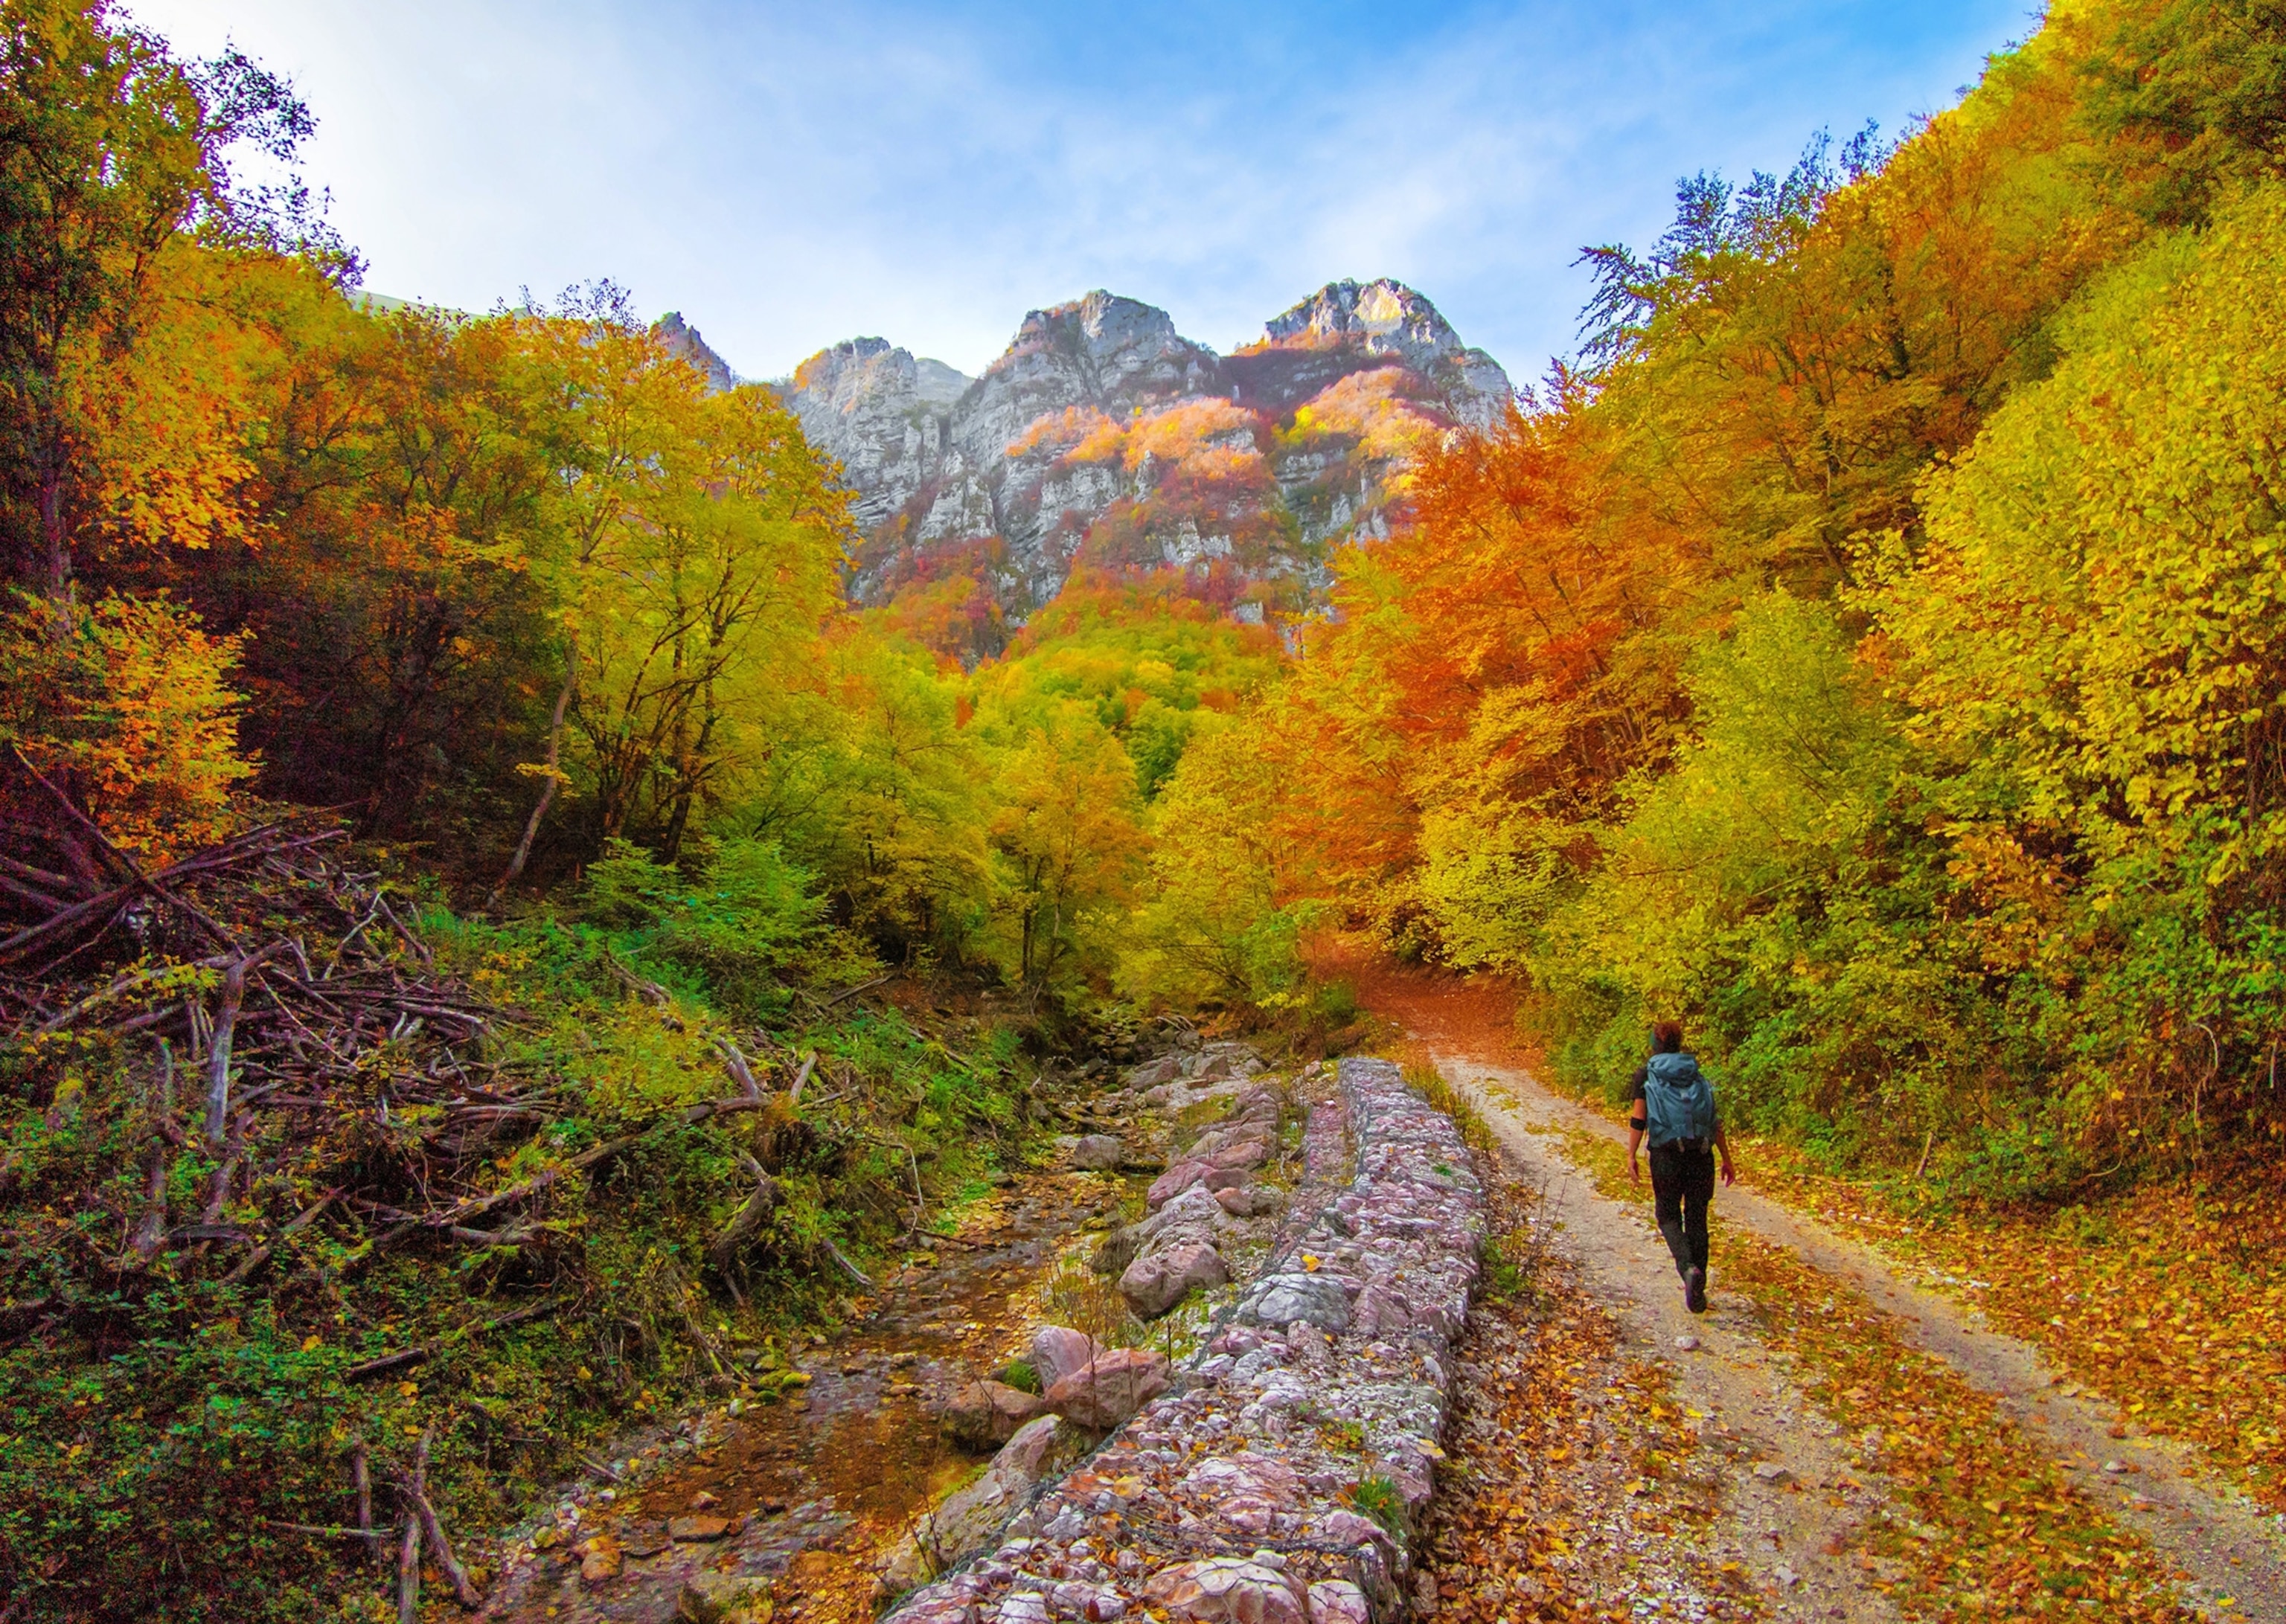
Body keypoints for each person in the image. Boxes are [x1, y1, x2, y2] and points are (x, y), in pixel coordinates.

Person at [1626, 1021, 1735, 1314]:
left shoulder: (1646, 1074)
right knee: (1698, 1218)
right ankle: (1699, 1287)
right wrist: (1726, 1157)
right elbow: (1714, 1120)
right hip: (1702, 1154)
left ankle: (1688, 1269)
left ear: (1654, 1045)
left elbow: (1639, 1119)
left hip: (1666, 1156)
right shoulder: (1696, 1073)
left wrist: (1631, 1155)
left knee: (1667, 1215)